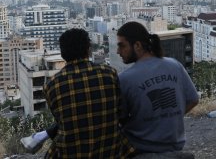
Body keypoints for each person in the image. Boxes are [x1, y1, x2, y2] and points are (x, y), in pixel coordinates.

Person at [21, 28, 134, 158]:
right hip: (110, 151)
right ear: (88, 49)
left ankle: (40, 136)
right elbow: (122, 114)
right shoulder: (109, 73)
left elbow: (62, 121)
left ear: (63, 54)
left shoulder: (52, 85)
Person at [116, 22, 199, 155]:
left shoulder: (125, 79)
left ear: (137, 45)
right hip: (175, 145)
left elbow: (121, 118)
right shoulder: (174, 65)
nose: (118, 51)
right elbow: (193, 99)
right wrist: (168, 118)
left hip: (140, 148)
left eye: (122, 45)